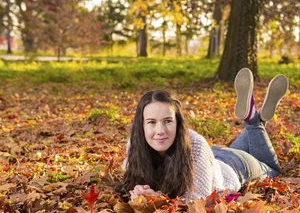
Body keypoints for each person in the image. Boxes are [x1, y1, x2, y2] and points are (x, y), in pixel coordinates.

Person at [115, 68, 289, 202]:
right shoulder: (136, 143)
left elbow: (199, 200)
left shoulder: (195, 143)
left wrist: (157, 198)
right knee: (255, 131)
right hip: (212, 158)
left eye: (168, 121)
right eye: (152, 122)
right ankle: (256, 119)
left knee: (272, 169)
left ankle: (253, 120)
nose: (160, 130)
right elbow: (129, 179)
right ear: (141, 125)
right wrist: (138, 191)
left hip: (235, 167)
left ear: (178, 123)